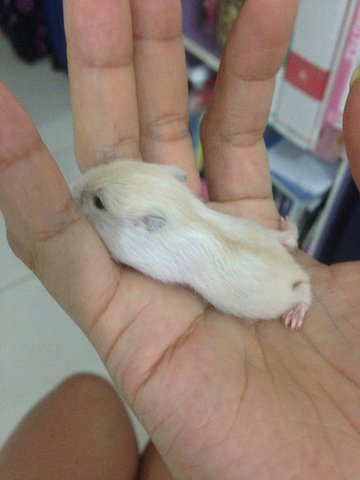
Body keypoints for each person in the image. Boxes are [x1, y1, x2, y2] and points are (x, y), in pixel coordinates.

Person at [0, 0, 359, 478]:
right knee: (90, 400)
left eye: (102, 204)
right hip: (246, 252)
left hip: (268, 287)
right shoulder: (173, 200)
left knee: (84, 397)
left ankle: (298, 292)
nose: (85, 199)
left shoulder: (163, 240)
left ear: (151, 224)